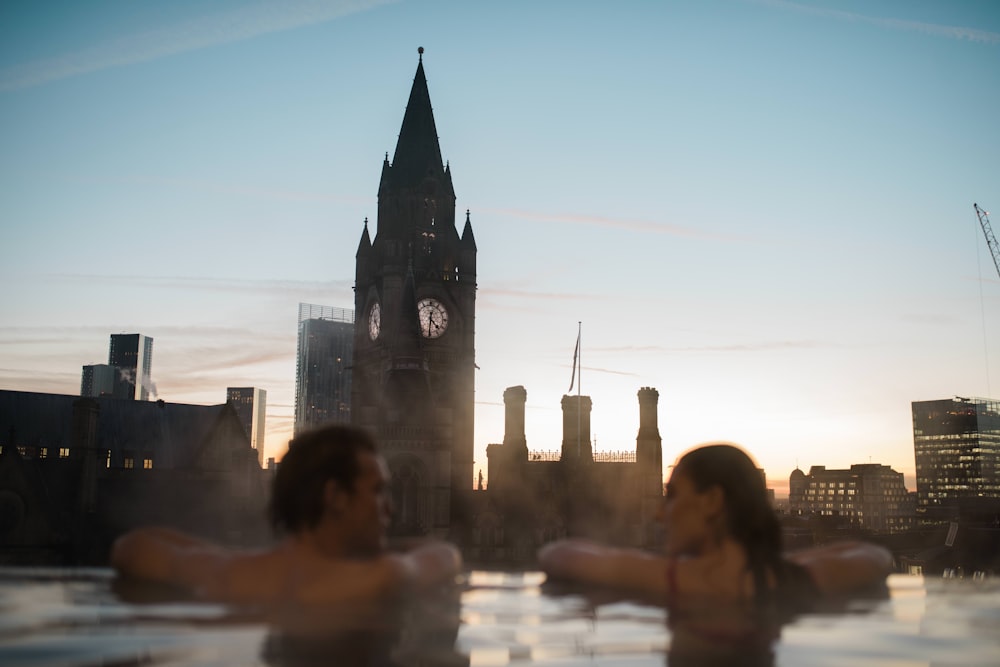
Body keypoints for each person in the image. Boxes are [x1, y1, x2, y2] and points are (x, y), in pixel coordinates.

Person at [111, 424, 462, 606]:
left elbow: (131, 547)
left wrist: (230, 559)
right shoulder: (383, 576)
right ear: (336, 497)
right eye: (377, 491)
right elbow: (446, 556)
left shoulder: (226, 576)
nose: (391, 507)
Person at [538, 443, 892, 607]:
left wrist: (658, 568)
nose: (662, 514)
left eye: (673, 496)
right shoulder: (792, 581)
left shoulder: (664, 579)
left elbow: (558, 554)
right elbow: (874, 557)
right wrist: (776, 570)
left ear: (711, 502)